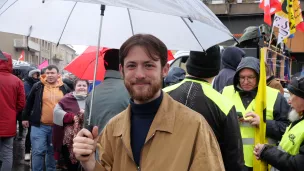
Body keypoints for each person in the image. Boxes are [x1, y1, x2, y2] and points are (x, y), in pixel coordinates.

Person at [73, 34, 225, 171]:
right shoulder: (113, 129)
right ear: (122, 70)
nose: (139, 75)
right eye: (131, 65)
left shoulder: (195, 126)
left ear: (164, 69)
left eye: (149, 65)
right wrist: (90, 163)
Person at [163, 45, 244, 171]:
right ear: (216, 70)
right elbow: (233, 155)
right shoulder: (224, 104)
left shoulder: (163, 95)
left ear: (189, 65)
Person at [222, 57, 290, 171]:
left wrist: (263, 123)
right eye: (242, 77)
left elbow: (287, 129)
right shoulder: (226, 92)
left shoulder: (275, 96)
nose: (245, 81)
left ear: (259, 77)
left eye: (250, 77)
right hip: (231, 160)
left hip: (262, 161)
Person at [22, 65, 71, 171]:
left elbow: (70, 105)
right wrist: (25, 117)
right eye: (47, 73)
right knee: (38, 151)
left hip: (57, 127)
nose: (50, 75)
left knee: (52, 152)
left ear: (58, 75)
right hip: (39, 126)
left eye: (52, 73)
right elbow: (29, 102)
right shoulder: (38, 86)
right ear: (45, 74)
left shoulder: (64, 88)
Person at [254, 76, 304, 171]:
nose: (289, 101)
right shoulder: (298, 120)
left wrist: (266, 152)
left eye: (292, 95)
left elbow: (298, 165)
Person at [84, 49, 129, 133]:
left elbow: (86, 129)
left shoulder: (92, 93)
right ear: (123, 65)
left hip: (96, 144)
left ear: (104, 63)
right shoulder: (132, 90)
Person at [53, 79, 89, 171]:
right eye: (79, 85)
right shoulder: (67, 98)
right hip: (69, 140)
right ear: (75, 87)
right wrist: (72, 117)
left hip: (87, 138)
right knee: (72, 166)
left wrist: (86, 114)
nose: (82, 87)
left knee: (86, 163)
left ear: (87, 88)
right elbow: (56, 112)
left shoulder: (92, 99)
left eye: (84, 86)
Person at [0, 51, 25, 171]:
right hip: (9, 122)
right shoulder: (17, 81)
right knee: (7, 153)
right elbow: (21, 103)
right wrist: (12, 112)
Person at [23, 68, 41, 161]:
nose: (36, 76)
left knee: (37, 134)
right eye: (35, 74)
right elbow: (27, 97)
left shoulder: (40, 84)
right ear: (31, 75)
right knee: (30, 133)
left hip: (39, 111)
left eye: (38, 74)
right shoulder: (27, 83)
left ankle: (36, 152)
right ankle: (27, 152)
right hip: (31, 111)